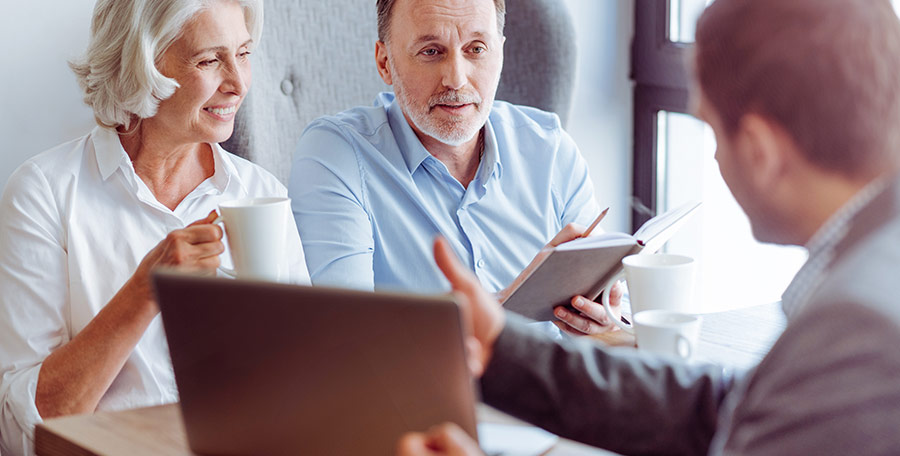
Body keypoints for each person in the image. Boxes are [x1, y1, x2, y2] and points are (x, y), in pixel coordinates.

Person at [397, 0, 900, 454]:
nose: (717, 157)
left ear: (761, 151)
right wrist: (505, 351)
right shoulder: (872, 265)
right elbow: (730, 409)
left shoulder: (856, 326)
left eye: (711, 130)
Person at [0, 0, 310, 454]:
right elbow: (21, 430)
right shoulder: (45, 192)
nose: (239, 84)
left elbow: (307, 383)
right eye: (209, 60)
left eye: (244, 54)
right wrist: (145, 290)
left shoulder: (261, 193)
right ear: (141, 64)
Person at [288, 0, 622, 336]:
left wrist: (601, 318)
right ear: (384, 61)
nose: (456, 79)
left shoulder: (550, 149)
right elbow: (346, 337)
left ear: (499, 53)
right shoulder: (336, 155)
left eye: (476, 49)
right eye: (431, 51)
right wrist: (513, 302)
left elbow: (608, 318)